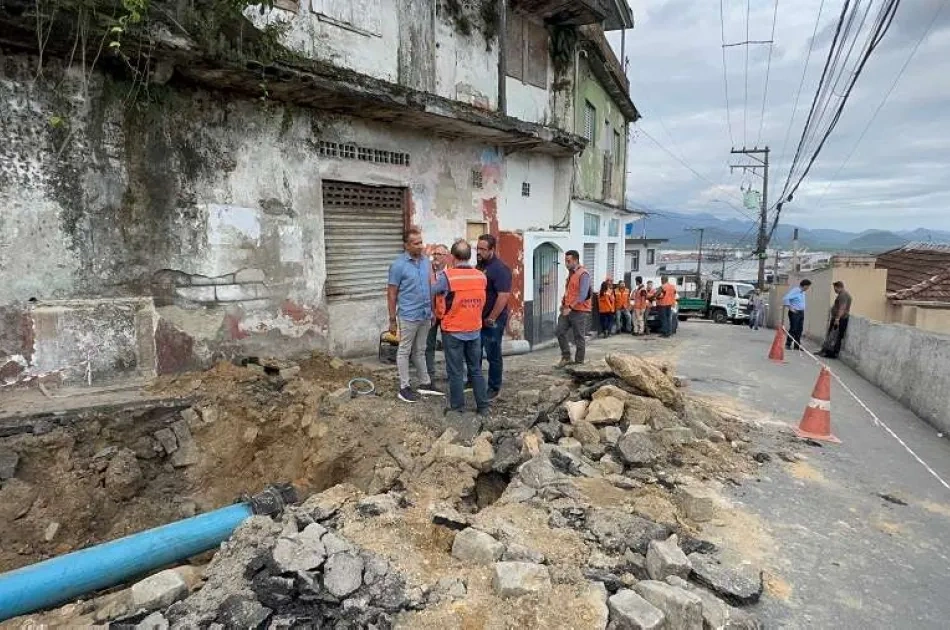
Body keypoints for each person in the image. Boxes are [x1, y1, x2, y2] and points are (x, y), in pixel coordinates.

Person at [432, 240, 490, 415]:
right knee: (476, 370)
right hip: (474, 329)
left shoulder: (447, 277)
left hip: (453, 330)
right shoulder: (481, 276)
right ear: (469, 256)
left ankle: (457, 408)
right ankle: (483, 407)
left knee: (455, 371)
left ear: (452, 256)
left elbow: (433, 290)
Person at [388, 228, 444, 403]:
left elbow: (430, 287)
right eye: (416, 243)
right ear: (406, 245)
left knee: (420, 350)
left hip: (425, 314)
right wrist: (392, 319)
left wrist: (432, 310)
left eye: (421, 242)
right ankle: (404, 387)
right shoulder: (398, 265)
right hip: (408, 315)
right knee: (404, 350)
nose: (421, 246)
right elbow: (391, 293)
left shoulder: (426, 262)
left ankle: (425, 383)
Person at [476, 234, 512, 400]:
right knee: (475, 352)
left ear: (492, 250)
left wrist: (491, 318)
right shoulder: (479, 266)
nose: (479, 252)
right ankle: (474, 381)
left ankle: (494, 387)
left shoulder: (500, 269)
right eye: (478, 248)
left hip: (493, 320)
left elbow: (503, 296)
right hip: (478, 319)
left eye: (483, 249)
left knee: (493, 354)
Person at [556, 250, 592, 367]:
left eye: (568, 261)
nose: (566, 264)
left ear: (575, 260)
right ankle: (566, 357)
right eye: (565, 261)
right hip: (567, 309)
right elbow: (569, 292)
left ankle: (579, 362)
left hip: (580, 311)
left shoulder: (583, 274)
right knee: (560, 331)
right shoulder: (571, 274)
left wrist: (570, 307)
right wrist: (563, 304)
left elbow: (583, 295)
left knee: (579, 337)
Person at [426, 244, 450, 383]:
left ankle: (452, 374)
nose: (435, 256)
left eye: (439, 254)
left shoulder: (451, 272)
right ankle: (430, 375)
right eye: (434, 254)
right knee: (429, 345)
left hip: (446, 314)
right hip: (431, 313)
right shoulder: (428, 271)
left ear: (446, 257)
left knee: (449, 346)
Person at [819, 281, 852, 359]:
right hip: (837, 318)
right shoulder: (841, 295)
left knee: (836, 337)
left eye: (835, 289)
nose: (835, 290)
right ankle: (825, 351)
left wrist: (837, 319)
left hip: (840, 319)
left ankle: (832, 353)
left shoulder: (844, 295)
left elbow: (842, 308)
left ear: (839, 287)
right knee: (831, 335)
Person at [782, 279, 812, 351]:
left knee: (799, 329)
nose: (808, 288)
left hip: (801, 312)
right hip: (795, 313)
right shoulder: (795, 291)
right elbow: (785, 298)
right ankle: (788, 344)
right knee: (793, 328)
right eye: (808, 286)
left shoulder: (803, 292)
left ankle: (797, 345)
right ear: (804, 286)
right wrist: (790, 308)